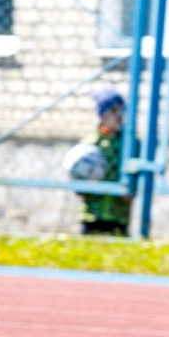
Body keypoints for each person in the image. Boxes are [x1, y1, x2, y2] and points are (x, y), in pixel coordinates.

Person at [65, 86, 129, 235]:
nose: (119, 115)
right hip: (92, 214)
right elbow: (76, 178)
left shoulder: (129, 143)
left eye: (122, 110)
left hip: (118, 215)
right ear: (102, 115)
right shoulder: (90, 143)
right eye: (113, 111)